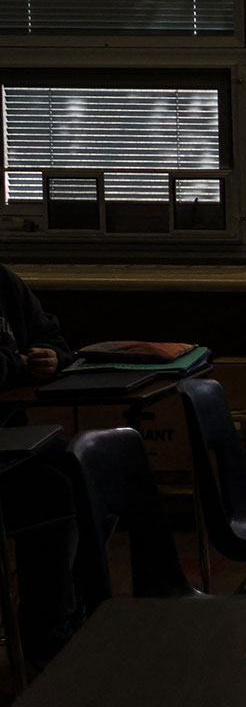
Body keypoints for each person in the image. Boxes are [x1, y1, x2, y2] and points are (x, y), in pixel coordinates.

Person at [0, 262, 82, 669]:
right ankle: (46, 638)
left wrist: (52, 357)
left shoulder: (3, 282)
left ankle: (83, 613)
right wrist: (16, 362)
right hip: (7, 454)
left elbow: (52, 338)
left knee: (81, 467)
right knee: (51, 493)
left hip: (14, 441)